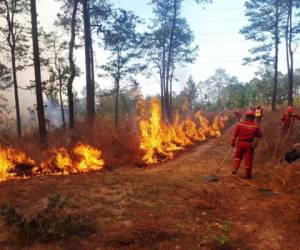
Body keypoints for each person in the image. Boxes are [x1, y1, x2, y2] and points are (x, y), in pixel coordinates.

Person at [231, 110, 262, 179]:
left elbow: (234, 135)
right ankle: (248, 175)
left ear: (246, 116)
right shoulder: (255, 127)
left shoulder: (240, 124)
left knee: (238, 156)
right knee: (248, 159)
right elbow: (259, 136)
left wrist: (232, 143)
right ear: (253, 117)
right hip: (249, 145)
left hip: (240, 144)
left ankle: (235, 169)